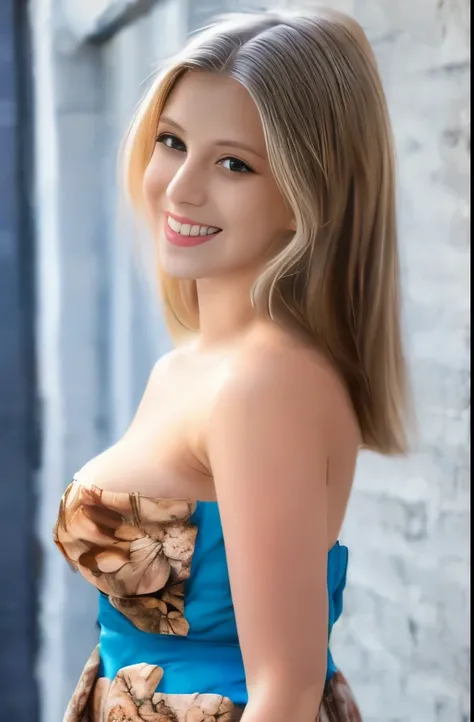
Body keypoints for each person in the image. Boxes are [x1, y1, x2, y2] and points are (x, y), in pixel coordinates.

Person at [54, 7, 410, 722]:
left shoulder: (264, 384)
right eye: (172, 141)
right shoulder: (188, 368)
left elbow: (286, 686)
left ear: (306, 195)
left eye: (233, 164)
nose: (180, 189)